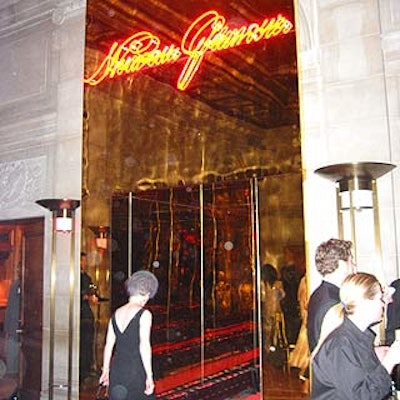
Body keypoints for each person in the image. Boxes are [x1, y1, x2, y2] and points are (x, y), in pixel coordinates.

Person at [311, 272, 400, 399]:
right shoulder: (340, 345)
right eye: (379, 299)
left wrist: (374, 356)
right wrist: (388, 362)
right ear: (365, 303)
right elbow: (362, 396)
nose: (383, 304)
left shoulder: (357, 337)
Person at [99, 270, 159, 400]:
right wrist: (149, 376)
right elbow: (144, 346)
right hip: (136, 370)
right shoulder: (144, 314)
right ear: (145, 294)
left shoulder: (115, 314)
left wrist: (105, 371)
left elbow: (108, 346)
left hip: (117, 369)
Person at [307, 238, 354, 352]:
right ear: (342, 265)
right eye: (351, 261)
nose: (354, 266)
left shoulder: (319, 293)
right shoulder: (333, 301)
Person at [80, 252, 98, 382]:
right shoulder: (74, 277)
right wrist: (86, 296)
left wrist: (93, 295)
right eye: (82, 261)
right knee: (82, 344)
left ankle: (87, 368)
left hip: (86, 315)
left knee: (88, 343)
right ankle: (81, 371)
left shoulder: (86, 277)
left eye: (85, 261)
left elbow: (92, 289)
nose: (84, 263)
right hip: (79, 316)